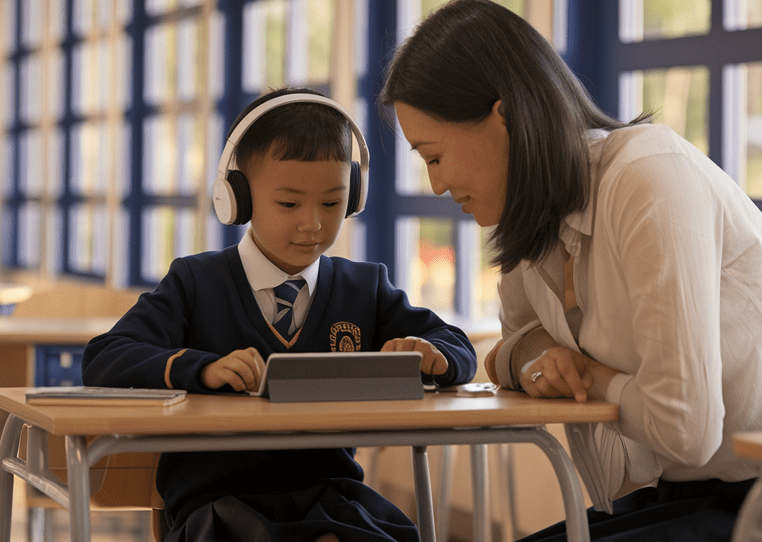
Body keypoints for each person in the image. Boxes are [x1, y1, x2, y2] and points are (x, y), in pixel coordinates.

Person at [379, 0, 762, 542]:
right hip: (693, 494)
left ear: (505, 118)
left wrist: (585, 375)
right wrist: (540, 355)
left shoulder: (647, 176)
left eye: (434, 156)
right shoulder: (533, 228)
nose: (437, 185)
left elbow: (685, 428)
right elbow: (509, 351)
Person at [84, 87, 477, 542]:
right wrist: (202, 368)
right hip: (219, 507)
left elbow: (457, 347)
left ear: (354, 195)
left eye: (332, 203)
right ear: (237, 199)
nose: (312, 223)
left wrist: (434, 355)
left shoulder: (364, 289)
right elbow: (105, 357)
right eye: (289, 204)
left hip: (332, 499)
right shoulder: (196, 283)